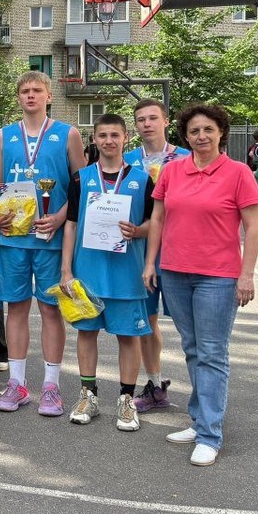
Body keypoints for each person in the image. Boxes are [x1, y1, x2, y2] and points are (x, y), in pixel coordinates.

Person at [143, 103, 258, 467]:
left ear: (221, 132)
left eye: (208, 129)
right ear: (185, 135)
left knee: (212, 353)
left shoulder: (238, 173)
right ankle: (199, 421)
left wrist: (246, 274)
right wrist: (150, 263)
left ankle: (210, 434)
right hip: (174, 272)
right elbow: (158, 218)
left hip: (218, 277)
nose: (201, 136)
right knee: (193, 349)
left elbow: (253, 227)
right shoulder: (172, 170)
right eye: (194, 131)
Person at [0, 71, 86, 416]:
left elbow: (81, 186)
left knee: (50, 309)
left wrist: (59, 217)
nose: (31, 95)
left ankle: (51, 387)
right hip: (13, 238)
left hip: (50, 237)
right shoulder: (2, 136)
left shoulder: (68, 134)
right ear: (18, 97)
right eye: (25, 91)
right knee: (15, 308)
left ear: (48, 96)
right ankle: (17, 384)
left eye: (37, 90)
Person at [60, 114, 153, 432]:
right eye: (103, 135)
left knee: (129, 337)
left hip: (127, 274)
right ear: (94, 139)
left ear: (126, 137)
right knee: (86, 333)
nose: (109, 141)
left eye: (115, 135)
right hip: (88, 273)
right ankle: (88, 395)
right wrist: (66, 269)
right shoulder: (81, 178)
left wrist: (138, 231)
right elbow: (71, 224)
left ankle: (126, 399)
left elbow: (156, 223)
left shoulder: (142, 179)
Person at [124, 99, 190, 413]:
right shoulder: (127, 160)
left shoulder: (187, 157)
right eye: (141, 119)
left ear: (165, 121)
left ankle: (206, 393)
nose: (147, 124)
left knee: (190, 325)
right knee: (147, 322)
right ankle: (154, 384)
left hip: (179, 251)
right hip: (140, 254)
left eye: (153, 118)